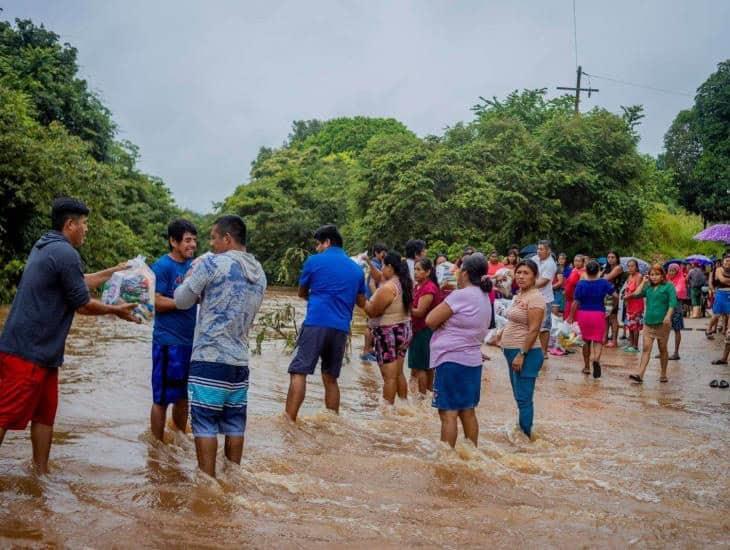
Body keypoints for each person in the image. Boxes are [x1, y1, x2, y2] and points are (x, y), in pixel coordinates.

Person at [0, 197, 139, 474]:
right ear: (70, 224)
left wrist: (113, 272)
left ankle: (40, 474)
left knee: (44, 416)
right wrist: (116, 310)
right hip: (27, 351)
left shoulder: (47, 245)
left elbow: (78, 280)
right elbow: (83, 304)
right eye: (85, 224)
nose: (86, 229)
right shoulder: (65, 253)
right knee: (4, 414)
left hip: (43, 353)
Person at [173, 215, 266, 478]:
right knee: (235, 424)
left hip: (209, 359)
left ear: (227, 239)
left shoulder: (211, 263)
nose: (211, 244)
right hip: (239, 361)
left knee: (205, 424)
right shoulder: (260, 273)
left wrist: (193, 271)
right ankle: (232, 480)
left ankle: (207, 484)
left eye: (213, 238)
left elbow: (181, 301)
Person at [284, 225, 367, 422]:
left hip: (316, 323)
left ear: (327, 242)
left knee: (298, 371)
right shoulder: (356, 270)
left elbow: (302, 292)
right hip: (341, 328)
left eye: (319, 244)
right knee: (331, 378)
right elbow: (362, 302)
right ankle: (332, 423)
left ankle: (288, 422)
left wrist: (317, 298)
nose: (317, 248)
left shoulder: (314, 261)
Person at [426, 253, 492, 448]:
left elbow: (430, 320)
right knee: (467, 411)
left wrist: (444, 324)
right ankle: (471, 455)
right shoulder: (484, 296)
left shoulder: (460, 295)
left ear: (464, 273)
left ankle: (447, 460)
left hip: (451, 359)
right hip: (472, 360)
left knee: (448, 413)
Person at [149, 219, 198, 442]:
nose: (192, 245)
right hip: (167, 342)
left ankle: (179, 442)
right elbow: (155, 301)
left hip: (189, 342)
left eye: (195, 240)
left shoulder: (194, 267)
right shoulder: (162, 267)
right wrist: (183, 301)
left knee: (183, 396)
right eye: (187, 240)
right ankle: (157, 446)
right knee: (161, 399)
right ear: (173, 241)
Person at [500, 260, 545, 439]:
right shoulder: (520, 295)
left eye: (526, 273)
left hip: (527, 353)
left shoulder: (536, 298)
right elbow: (514, 321)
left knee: (524, 399)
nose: (521, 276)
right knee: (519, 398)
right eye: (518, 272)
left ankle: (526, 439)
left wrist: (522, 354)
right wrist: (500, 334)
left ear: (535, 276)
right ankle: (523, 433)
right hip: (512, 351)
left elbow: (534, 329)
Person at [364, 252, 413, 404]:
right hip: (404, 329)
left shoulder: (389, 287)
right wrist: (369, 264)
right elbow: (379, 276)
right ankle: (404, 405)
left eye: (384, 265)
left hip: (388, 332)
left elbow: (373, 311)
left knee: (388, 377)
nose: (382, 268)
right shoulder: (404, 282)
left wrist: (360, 300)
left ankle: (388, 413)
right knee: (398, 373)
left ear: (390, 267)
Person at [567, 261, 618, 378]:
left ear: (586, 271)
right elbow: (615, 296)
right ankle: (595, 359)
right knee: (598, 340)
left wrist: (570, 316)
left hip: (583, 314)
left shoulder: (581, 284)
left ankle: (586, 367)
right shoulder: (604, 283)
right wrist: (612, 308)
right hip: (598, 313)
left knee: (586, 341)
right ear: (599, 271)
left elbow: (575, 302)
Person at [628, 265, 677, 384]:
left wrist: (668, 316)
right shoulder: (648, 287)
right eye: (652, 275)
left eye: (657, 274)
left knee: (662, 348)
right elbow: (635, 294)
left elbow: (672, 303)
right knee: (646, 348)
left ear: (662, 275)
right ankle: (640, 374)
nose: (654, 277)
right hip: (648, 322)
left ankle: (663, 373)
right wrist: (643, 282)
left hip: (662, 323)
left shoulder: (668, 286)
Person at [408, 258, 440, 395]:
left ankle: (421, 398)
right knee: (426, 366)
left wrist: (404, 306)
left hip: (423, 331)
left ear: (427, 272)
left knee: (421, 367)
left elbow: (419, 312)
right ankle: (427, 396)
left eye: (419, 269)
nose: (415, 272)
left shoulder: (428, 288)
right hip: (422, 331)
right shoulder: (419, 286)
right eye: (415, 269)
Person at [360, 243, 388, 362]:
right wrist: (377, 298)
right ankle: (366, 351)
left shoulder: (377, 264)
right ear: (376, 253)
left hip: (371, 298)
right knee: (370, 325)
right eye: (382, 252)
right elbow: (371, 283)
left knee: (372, 324)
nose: (384, 254)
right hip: (372, 299)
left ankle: (370, 350)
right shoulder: (375, 264)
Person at [531, 240, 558, 356]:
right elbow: (526, 267)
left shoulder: (550, 264)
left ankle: (543, 352)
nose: (538, 251)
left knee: (544, 327)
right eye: (538, 248)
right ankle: (533, 348)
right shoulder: (535, 259)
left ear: (548, 251)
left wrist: (526, 284)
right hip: (532, 296)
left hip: (545, 299)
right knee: (532, 325)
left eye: (541, 249)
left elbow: (543, 282)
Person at [601, 251, 624, 348]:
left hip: (614, 294)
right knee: (605, 317)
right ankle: (605, 338)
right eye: (609, 257)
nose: (610, 259)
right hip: (605, 294)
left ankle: (614, 340)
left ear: (617, 258)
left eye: (613, 257)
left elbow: (606, 278)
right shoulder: (607, 267)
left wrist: (601, 275)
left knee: (613, 317)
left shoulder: (618, 267)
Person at [622, 259, 644, 353]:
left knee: (636, 326)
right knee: (630, 325)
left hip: (637, 304)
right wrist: (624, 295)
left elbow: (638, 291)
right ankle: (631, 344)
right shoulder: (629, 276)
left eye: (632, 266)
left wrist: (628, 296)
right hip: (629, 304)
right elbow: (627, 289)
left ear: (636, 267)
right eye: (629, 266)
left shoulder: (639, 276)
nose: (630, 268)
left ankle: (635, 346)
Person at [666, 263, 687, 361]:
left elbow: (678, 292)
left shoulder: (681, 280)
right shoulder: (667, 279)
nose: (671, 272)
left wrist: (669, 291)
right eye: (670, 270)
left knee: (676, 329)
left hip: (676, 308)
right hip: (666, 307)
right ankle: (663, 351)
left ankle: (676, 352)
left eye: (673, 270)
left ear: (677, 271)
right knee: (664, 329)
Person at [706, 254, 730, 339]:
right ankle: (708, 329)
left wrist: (726, 281)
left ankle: (728, 332)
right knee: (717, 314)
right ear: (723, 262)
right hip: (720, 293)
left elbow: (724, 280)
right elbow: (722, 279)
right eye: (726, 260)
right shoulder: (719, 269)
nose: (728, 262)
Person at [552, 253, 569, 317]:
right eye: (560, 259)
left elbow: (561, 282)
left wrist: (565, 290)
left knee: (558, 311)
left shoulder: (568, 269)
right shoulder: (554, 268)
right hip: (554, 291)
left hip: (560, 291)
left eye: (563, 259)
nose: (561, 260)